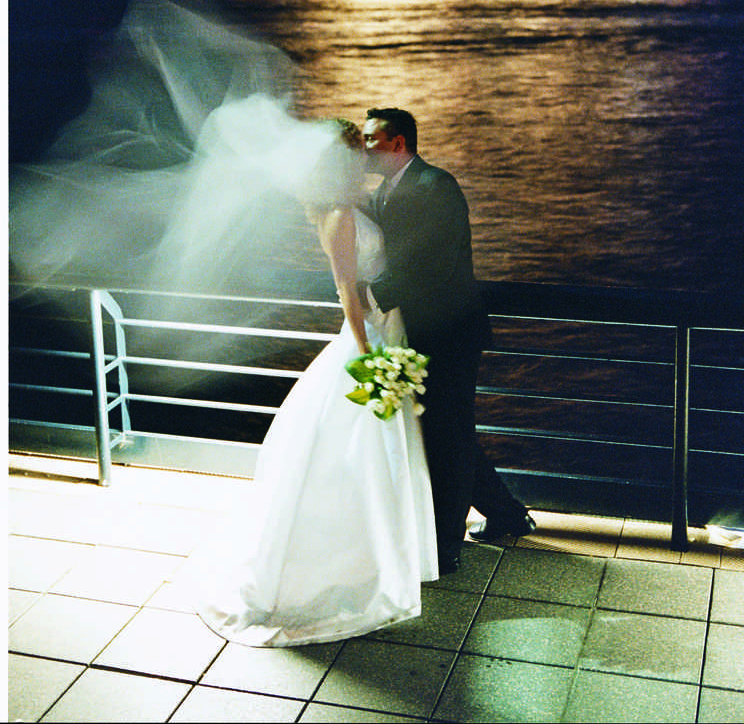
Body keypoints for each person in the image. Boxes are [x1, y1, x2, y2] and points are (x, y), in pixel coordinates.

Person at [188, 118, 439, 646]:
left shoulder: (351, 205)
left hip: (389, 329)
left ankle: (388, 557)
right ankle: (350, 569)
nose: (363, 162)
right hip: (368, 339)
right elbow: (349, 296)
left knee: (385, 454)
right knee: (360, 457)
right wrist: (371, 361)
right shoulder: (341, 215)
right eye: (353, 155)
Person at [360, 107, 534, 574]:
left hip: (449, 332)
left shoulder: (437, 186)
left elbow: (432, 263)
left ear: (398, 142)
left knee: (448, 437)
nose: (364, 146)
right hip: (411, 332)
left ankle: (445, 545)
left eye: (371, 138)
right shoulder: (384, 192)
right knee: (449, 433)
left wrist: (369, 294)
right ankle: (507, 514)